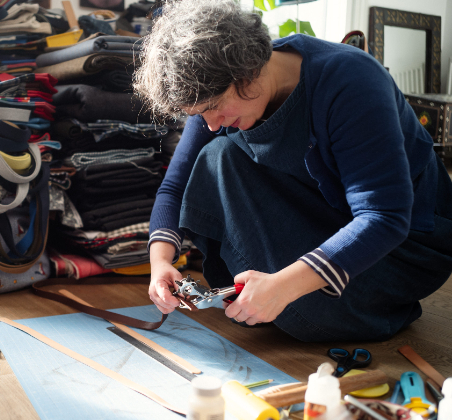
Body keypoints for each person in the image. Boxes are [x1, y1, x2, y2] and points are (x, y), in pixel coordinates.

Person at [133, 0, 452, 342]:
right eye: (198, 114)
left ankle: (379, 306)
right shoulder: (215, 88)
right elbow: (175, 187)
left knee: (299, 304)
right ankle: (294, 298)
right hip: (333, 217)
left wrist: (284, 287)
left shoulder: (350, 80)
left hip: (405, 246)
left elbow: (384, 217)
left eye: (212, 108)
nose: (210, 124)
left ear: (247, 70)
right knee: (219, 156)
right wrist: (160, 263)